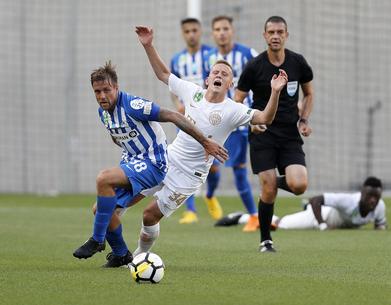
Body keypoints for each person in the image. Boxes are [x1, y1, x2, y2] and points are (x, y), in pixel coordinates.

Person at [132, 25, 288, 257]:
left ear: (230, 85)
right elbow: (164, 74)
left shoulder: (234, 109)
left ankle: (138, 256)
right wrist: (148, 45)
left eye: (225, 75)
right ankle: (113, 247)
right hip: (168, 159)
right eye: (215, 72)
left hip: (189, 176)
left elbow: (265, 117)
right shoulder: (191, 92)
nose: (219, 75)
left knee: (149, 215)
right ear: (207, 79)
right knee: (125, 196)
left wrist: (275, 92)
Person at [72, 61, 227, 267]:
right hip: (134, 162)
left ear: (116, 88)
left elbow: (173, 115)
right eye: (97, 91)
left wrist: (205, 142)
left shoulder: (133, 105)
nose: (102, 96)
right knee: (99, 209)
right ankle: (121, 254)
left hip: (154, 163)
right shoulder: (104, 113)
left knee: (103, 178)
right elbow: (118, 135)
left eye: (106, 90)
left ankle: (97, 240)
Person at [235, 16, 314, 252]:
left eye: (280, 32)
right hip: (263, 134)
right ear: (265, 35)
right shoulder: (254, 66)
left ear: (287, 35)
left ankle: (269, 182)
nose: (276, 36)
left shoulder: (297, 62)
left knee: (299, 185)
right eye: (271, 32)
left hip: (290, 134)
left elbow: (308, 94)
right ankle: (265, 240)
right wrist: (251, 121)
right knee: (268, 191)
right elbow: (238, 99)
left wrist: (304, 119)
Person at [204, 15, 260, 232]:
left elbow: (262, 76)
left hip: (238, 120)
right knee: (210, 168)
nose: (222, 32)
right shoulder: (208, 57)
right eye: (217, 29)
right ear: (213, 33)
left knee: (238, 169)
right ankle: (209, 195)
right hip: (212, 120)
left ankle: (254, 216)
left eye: (225, 28)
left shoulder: (247, 54)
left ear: (232, 31)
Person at [170, 17, 213, 224]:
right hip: (187, 118)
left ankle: (210, 195)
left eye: (194, 30)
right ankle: (190, 210)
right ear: (183, 33)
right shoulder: (177, 59)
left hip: (209, 117)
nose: (191, 34)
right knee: (184, 163)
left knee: (213, 165)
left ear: (200, 31)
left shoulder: (210, 55)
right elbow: (173, 85)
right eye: (187, 31)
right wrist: (178, 104)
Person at [272, 177, 387, 230]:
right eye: (369, 196)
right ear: (362, 193)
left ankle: (306, 206)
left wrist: (381, 228)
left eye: (376, 197)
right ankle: (259, 216)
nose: (373, 200)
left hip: (338, 225)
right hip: (322, 216)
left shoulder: (380, 206)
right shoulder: (348, 201)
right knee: (282, 225)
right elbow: (315, 200)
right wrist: (322, 224)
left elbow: (379, 226)